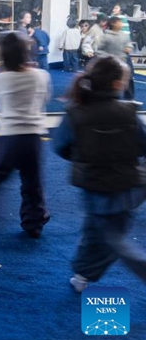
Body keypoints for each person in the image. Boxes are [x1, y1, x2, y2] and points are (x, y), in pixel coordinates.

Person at [53, 56, 146, 292]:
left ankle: (83, 274)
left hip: (92, 182)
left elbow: (60, 146)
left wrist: (84, 156)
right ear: (117, 84)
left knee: (104, 232)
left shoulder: (75, 112)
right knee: (110, 234)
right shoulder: (128, 112)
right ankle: (83, 274)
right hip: (126, 182)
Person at [0, 32, 52, 238]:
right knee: (32, 182)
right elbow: (45, 98)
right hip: (32, 137)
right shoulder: (41, 76)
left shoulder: (2, 78)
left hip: (9, 136)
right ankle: (34, 223)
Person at [97, 16, 136, 101]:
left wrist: (128, 48)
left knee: (128, 79)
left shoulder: (124, 36)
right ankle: (111, 98)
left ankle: (129, 98)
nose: (121, 24)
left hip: (123, 62)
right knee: (111, 81)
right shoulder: (106, 36)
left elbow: (129, 44)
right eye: (119, 22)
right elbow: (99, 50)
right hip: (110, 64)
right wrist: (108, 57)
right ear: (113, 24)